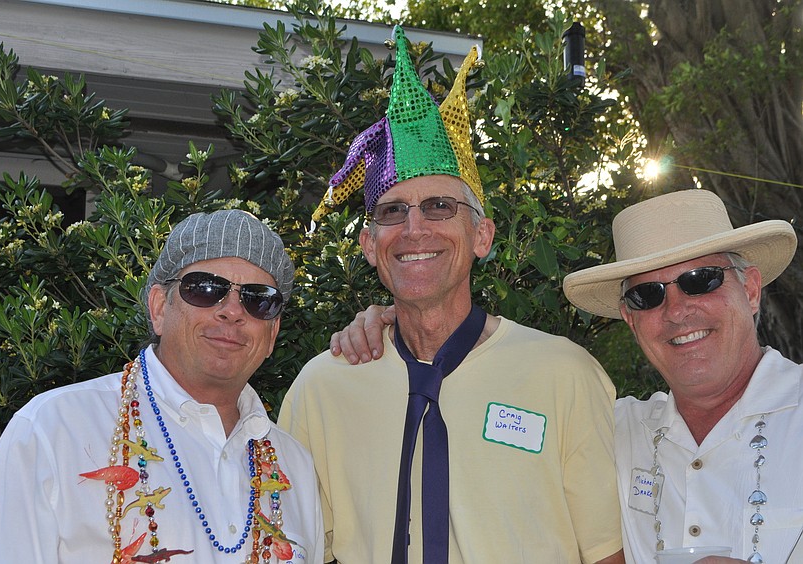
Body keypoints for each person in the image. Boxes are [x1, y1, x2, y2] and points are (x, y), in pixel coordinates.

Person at [277, 25, 625, 564]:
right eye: (393, 211)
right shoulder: (321, 389)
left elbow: (607, 552)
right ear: (369, 246)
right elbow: (291, 549)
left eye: (440, 206)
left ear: (481, 236)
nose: (414, 229)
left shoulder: (564, 376)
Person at [334, 189, 802, 563]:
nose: (677, 311)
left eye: (702, 281)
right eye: (648, 296)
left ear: (751, 289)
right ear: (631, 319)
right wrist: (399, 321)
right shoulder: (613, 430)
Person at [0, 209, 323, 563]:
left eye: (258, 299)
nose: (232, 311)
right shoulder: (55, 429)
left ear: (272, 333)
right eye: (206, 289)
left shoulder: (295, 465)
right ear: (159, 308)